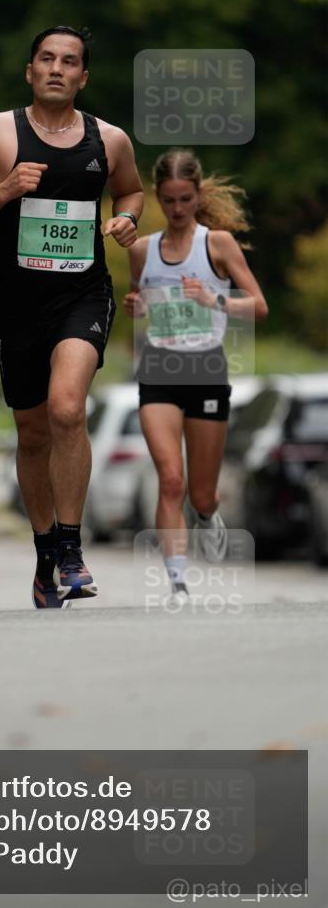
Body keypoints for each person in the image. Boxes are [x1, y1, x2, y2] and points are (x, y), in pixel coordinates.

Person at [0, 25, 144, 609]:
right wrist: (6, 189)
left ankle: (71, 548)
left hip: (82, 294)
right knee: (32, 431)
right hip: (18, 303)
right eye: (46, 59)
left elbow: (131, 193)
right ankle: (44, 553)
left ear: (84, 77)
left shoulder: (109, 140)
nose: (57, 68)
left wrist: (125, 219)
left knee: (67, 408)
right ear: (30, 71)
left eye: (70, 61)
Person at [123, 148, 268, 605]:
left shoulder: (217, 244)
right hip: (159, 370)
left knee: (202, 493)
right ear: (158, 198)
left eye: (185, 199)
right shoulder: (143, 250)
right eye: (168, 200)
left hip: (206, 368)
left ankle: (207, 516)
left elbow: (259, 306)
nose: (178, 209)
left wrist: (214, 301)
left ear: (197, 194)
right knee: (171, 479)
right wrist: (137, 306)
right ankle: (179, 583)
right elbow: (138, 300)